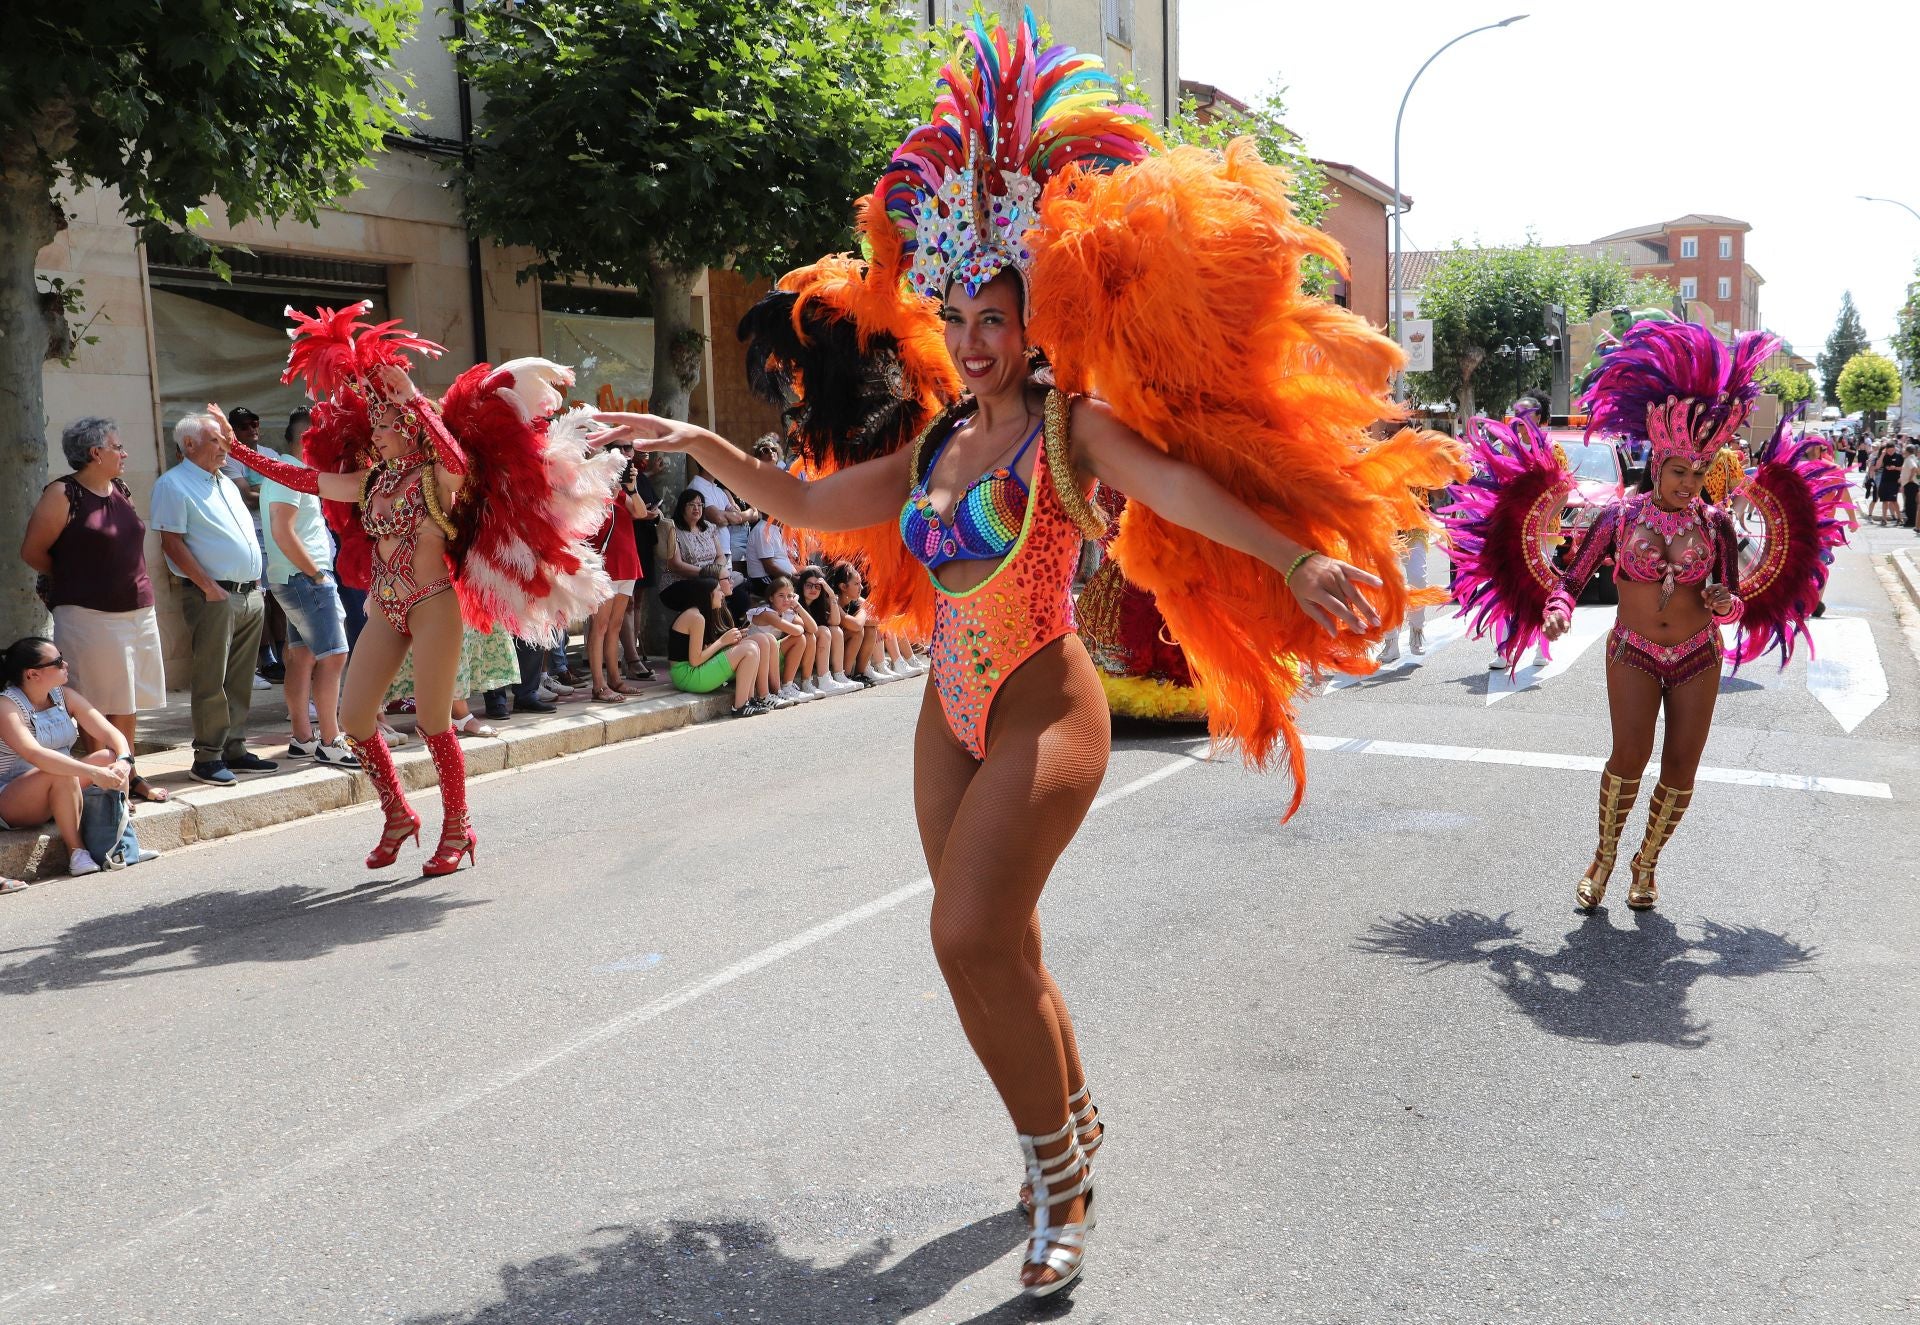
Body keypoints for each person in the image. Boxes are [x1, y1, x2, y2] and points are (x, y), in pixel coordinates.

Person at [594, 12, 1454, 1295]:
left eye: (996, 317)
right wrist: (702, 445)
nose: (978, 339)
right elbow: (821, 507)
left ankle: (1062, 1177)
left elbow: (1176, 485)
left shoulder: (1068, 430)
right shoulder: (940, 442)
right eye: (960, 316)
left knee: (963, 932)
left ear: (1035, 320)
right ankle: (1071, 1119)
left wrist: (1292, 559)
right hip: (946, 712)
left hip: (1046, 706)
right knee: (1000, 947)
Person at [1448, 321, 1848, 916]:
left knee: (1682, 767)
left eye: (1698, 474)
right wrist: (1557, 611)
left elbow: (1734, 599)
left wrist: (1723, 603)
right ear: (1657, 465)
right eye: (1679, 472)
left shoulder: (1714, 525)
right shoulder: (1617, 518)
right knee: (1629, 757)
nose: (1689, 484)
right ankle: (1603, 857)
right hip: (1633, 649)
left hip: (1697, 655)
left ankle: (1647, 865)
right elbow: (1572, 579)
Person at [216, 304, 623, 875]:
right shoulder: (370, 480)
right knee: (356, 719)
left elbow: (454, 453)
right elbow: (304, 478)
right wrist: (238, 451)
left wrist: (410, 397)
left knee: (435, 720)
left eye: (384, 427)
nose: (374, 435)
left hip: (434, 605)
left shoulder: (442, 478)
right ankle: (399, 814)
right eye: (375, 425)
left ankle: (458, 825)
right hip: (387, 605)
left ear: (408, 428)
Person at [19, 417, 170, 804]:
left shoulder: (119, 487)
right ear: (94, 453)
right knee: (98, 701)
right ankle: (105, 779)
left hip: (136, 610)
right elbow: (33, 551)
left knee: (128, 698)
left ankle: (130, 774)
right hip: (88, 614)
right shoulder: (63, 493)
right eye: (117, 447)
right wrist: (77, 576)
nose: (124, 453)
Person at [150, 413, 279, 787]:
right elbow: (171, 541)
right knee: (212, 677)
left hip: (248, 592)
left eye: (224, 440)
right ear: (189, 445)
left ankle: (233, 747)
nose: (224, 447)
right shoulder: (173, 485)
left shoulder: (222, 481)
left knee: (240, 677)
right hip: (214, 595)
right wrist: (208, 586)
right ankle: (207, 756)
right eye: (215, 440)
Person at [0, 636, 136, 877]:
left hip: (63, 781)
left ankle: (120, 841)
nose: (66, 665)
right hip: (12, 798)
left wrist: (124, 761)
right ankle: (77, 853)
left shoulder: (63, 695)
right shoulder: (7, 705)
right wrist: (92, 772)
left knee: (108, 756)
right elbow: (35, 754)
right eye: (58, 662)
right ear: (32, 674)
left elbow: (109, 732)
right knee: (63, 773)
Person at [261, 444, 358, 766]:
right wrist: (316, 575)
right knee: (334, 656)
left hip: (295, 576)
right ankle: (330, 741)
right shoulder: (290, 472)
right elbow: (281, 529)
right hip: (303, 576)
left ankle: (303, 739)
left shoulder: (290, 472)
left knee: (302, 656)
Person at [663, 577, 774, 716]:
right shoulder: (696, 617)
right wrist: (723, 641)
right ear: (709, 594)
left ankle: (749, 700)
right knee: (749, 649)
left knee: (754, 643)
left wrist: (730, 640)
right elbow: (695, 660)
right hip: (686, 675)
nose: (722, 594)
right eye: (719, 590)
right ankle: (740, 706)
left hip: (689, 671)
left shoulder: (697, 613)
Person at [586, 455, 647, 701]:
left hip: (628, 566)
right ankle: (598, 685)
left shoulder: (622, 496)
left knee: (615, 625)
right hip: (605, 568)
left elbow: (641, 512)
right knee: (600, 626)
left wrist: (631, 489)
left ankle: (615, 679)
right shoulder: (593, 498)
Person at [622, 452, 665, 681]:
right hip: (627, 542)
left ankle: (637, 647)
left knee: (638, 600)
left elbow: (650, 501)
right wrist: (642, 514)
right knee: (626, 602)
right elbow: (626, 509)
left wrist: (653, 512)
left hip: (644, 542)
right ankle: (629, 656)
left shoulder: (642, 477)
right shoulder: (614, 478)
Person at [744, 576, 818, 703]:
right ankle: (773, 691)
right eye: (781, 596)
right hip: (755, 656)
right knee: (799, 636)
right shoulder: (767, 613)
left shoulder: (786, 612)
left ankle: (787, 686)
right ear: (771, 598)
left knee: (804, 638)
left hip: (770, 653)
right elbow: (797, 630)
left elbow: (813, 628)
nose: (786, 600)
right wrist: (799, 626)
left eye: (789, 596)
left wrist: (798, 606)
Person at [794, 565, 861, 695]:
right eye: (809, 585)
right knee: (824, 630)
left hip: (813, 652)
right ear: (801, 585)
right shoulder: (795, 602)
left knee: (835, 631)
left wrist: (830, 595)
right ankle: (823, 680)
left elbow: (835, 622)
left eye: (817, 587)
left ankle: (838, 675)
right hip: (797, 653)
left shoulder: (818, 604)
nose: (813, 589)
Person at [1900, 440, 1918, 530]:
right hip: (1911, 484)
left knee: (1910, 503)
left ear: (1907, 451)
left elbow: (1914, 467)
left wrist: (1910, 478)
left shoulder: (1910, 459)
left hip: (1910, 484)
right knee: (1911, 502)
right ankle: (1912, 520)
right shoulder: (1912, 458)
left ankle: (1911, 521)